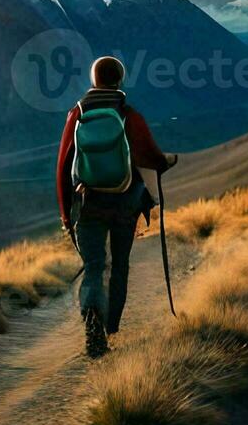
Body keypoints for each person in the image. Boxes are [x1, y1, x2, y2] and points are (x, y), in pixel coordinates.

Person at [55, 56, 178, 357]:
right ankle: (110, 328)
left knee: (95, 267)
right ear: (119, 80)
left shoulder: (77, 114)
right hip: (125, 203)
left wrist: (65, 212)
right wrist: (167, 162)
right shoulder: (128, 114)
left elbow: (62, 166)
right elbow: (150, 155)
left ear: (94, 80)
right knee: (120, 265)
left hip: (87, 203)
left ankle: (93, 319)